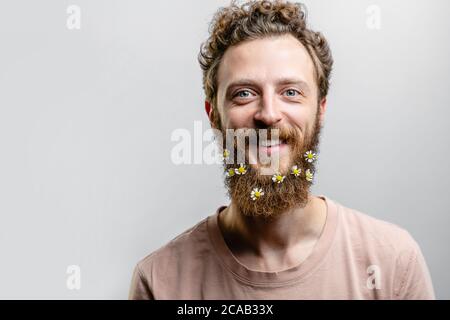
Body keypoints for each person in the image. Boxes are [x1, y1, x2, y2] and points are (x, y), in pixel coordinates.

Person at [128, 0, 435, 299]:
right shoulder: (160, 281)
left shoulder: (393, 264)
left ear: (320, 109)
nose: (269, 114)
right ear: (214, 115)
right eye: (244, 93)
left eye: (290, 92)